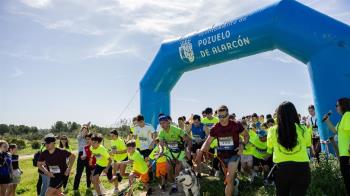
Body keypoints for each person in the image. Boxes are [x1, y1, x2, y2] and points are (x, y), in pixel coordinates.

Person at [196, 105, 249, 196]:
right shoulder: (215, 128)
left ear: (228, 115)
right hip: (222, 157)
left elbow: (246, 135)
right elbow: (208, 142)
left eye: (224, 116)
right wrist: (201, 152)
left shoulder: (236, 125)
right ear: (217, 116)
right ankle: (234, 184)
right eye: (220, 116)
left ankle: (231, 186)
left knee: (228, 178)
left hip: (234, 154)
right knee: (229, 179)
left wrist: (242, 145)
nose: (222, 119)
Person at [267, 101, 311, 196]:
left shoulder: (272, 130)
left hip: (281, 169)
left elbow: (270, 146)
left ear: (278, 115)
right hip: (302, 168)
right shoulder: (303, 128)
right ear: (294, 113)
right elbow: (308, 143)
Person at [158, 115, 191, 193]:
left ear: (168, 122)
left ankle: (175, 185)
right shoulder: (161, 132)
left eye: (163, 123)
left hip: (180, 152)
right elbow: (161, 144)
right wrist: (161, 150)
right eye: (160, 123)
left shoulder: (176, 129)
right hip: (170, 152)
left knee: (177, 169)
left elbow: (188, 139)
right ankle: (172, 182)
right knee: (169, 169)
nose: (162, 125)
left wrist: (187, 149)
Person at [323, 97, 350, 195]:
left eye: (337, 105)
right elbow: (335, 131)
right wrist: (327, 120)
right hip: (344, 155)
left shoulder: (348, 115)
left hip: (348, 155)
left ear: (343, 105)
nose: (336, 108)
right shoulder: (343, 118)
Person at [73, 124, 92, 192]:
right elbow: (80, 136)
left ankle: (89, 186)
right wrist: (85, 127)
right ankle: (75, 188)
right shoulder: (79, 137)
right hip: (81, 154)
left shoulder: (89, 137)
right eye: (83, 130)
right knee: (79, 172)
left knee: (88, 172)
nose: (85, 131)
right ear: (81, 131)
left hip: (88, 154)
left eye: (86, 130)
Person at [109, 129, 128, 194]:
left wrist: (117, 152)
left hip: (123, 158)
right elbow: (113, 150)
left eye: (113, 136)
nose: (111, 137)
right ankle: (116, 188)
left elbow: (126, 150)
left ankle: (132, 176)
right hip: (116, 159)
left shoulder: (121, 141)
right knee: (114, 174)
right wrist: (111, 152)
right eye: (110, 136)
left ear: (116, 135)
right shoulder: (111, 141)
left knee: (121, 174)